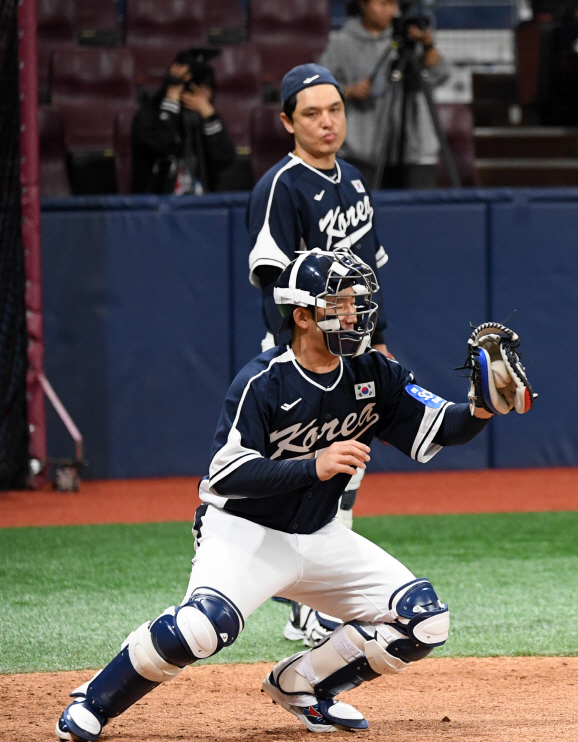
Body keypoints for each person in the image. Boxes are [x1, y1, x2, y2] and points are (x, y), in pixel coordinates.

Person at [54, 250, 501, 741]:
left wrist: (482, 408)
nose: (353, 314)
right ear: (302, 316)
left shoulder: (376, 372)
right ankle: (94, 700)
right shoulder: (263, 381)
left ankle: (301, 685)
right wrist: (314, 464)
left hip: (318, 535)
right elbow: (227, 476)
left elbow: (441, 425)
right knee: (203, 629)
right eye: (339, 303)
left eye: (357, 302)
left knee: (423, 621)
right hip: (245, 534)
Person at [246, 64, 393, 636]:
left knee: (347, 470)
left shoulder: (353, 179)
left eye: (334, 109)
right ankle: (305, 600)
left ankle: (318, 597)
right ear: (287, 122)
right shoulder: (279, 187)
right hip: (305, 355)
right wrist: (298, 356)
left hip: (352, 348)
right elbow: (274, 283)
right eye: (311, 113)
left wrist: (376, 341)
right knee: (302, 474)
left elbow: (368, 278)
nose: (327, 122)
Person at [319, 0, 451, 189]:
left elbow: (441, 76)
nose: (391, 11)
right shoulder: (340, 42)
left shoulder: (409, 38)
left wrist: (428, 46)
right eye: (383, 4)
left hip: (412, 148)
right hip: (362, 149)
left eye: (393, 5)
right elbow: (317, 90)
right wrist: (348, 91)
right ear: (363, 5)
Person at [131, 48, 235, 194]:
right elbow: (160, 144)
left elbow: (225, 158)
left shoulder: (204, 117)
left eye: (206, 89)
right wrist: (172, 98)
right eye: (194, 87)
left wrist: (209, 115)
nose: (200, 95)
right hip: (159, 202)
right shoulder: (149, 114)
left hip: (203, 202)